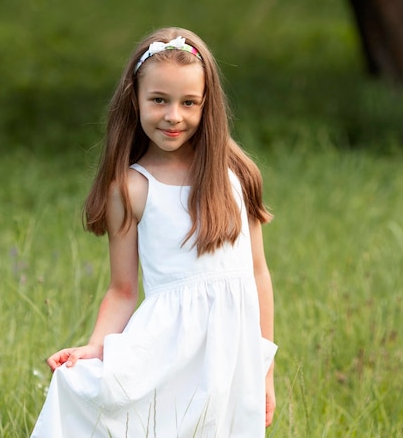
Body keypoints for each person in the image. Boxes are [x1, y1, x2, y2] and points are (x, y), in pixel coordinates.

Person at [31, 27, 277, 437]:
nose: (173, 116)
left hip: (231, 360)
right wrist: (96, 348)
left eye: (188, 103)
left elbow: (258, 275)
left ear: (207, 104)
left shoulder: (237, 175)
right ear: (136, 99)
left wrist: (264, 369)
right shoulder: (131, 188)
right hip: (167, 356)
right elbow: (123, 290)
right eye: (159, 100)